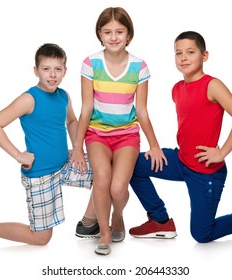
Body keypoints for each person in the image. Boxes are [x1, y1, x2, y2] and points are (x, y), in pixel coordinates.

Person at [128, 31, 232, 243]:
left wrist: (221, 152)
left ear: (205, 56)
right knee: (130, 165)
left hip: (205, 171)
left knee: (202, 234)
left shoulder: (212, 85)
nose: (183, 57)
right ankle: (160, 220)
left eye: (190, 52)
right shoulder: (177, 89)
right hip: (181, 160)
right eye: (178, 53)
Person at [0, 43, 92, 245]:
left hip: (65, 164)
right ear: (36, 71)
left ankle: (91, 224)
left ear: (65, 71)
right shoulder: (29, 99)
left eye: (58, 69)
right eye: (46, 69)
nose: (52, 75)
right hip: (40, 175)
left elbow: (72, 121)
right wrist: (19, 156)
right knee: (40, 238)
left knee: (104, 172)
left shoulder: (63, 96)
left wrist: (77, 150)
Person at [70, 7, 167, 255]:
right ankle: (104, 233)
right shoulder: (91, 63)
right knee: (101, 178)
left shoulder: (139, 66)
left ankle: (118, 216)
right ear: (100, 35)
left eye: (119, 32)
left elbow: (142, 111)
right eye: (108, 32)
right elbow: (86, 108)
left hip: (127, 136)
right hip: (97, 135)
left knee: (117, 187)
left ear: (128, 35)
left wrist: (154, 145)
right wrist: (78, 147)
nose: (114, 37)